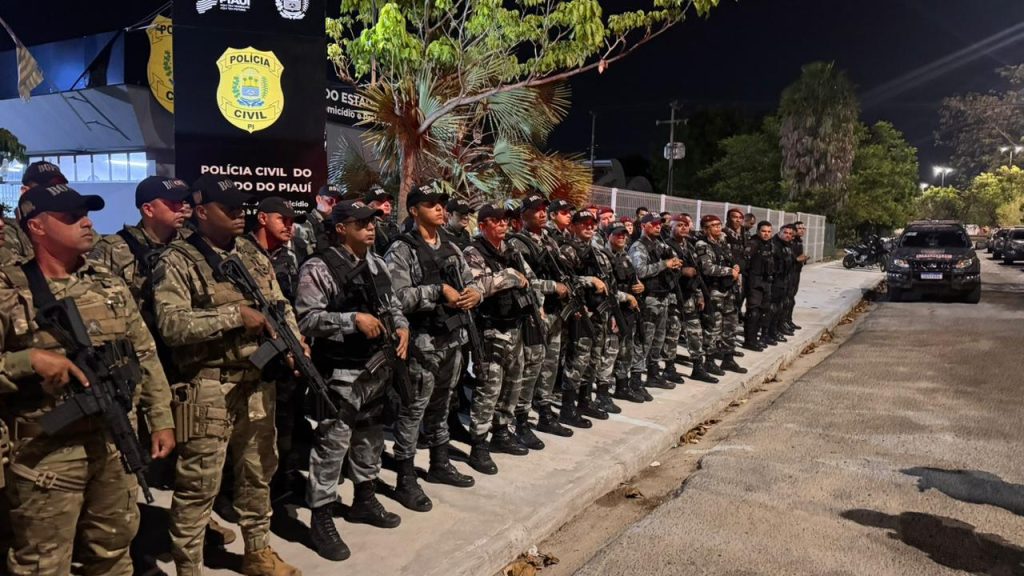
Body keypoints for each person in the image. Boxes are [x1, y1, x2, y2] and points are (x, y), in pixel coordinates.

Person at [0, 183, 175, 575]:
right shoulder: (9, 288)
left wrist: (161, 417)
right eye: (72, 217)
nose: (87, 223)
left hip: (113, 442)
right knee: (42, 564)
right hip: (45, 456)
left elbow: (144, 353)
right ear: (37, 227)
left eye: (87, 214)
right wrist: (28, 361)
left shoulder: (107, 282)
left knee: (113, 552)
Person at [152, 174, 303, 576]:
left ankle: (258, 553)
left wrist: (294, 341)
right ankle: (189, 568)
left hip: (257, 382)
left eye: (241, 206)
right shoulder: (177, 260)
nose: (239, 213)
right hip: (207, 388)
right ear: (201, 212)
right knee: (198, 486)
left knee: (258, 473)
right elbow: (171, 325)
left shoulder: (252, 254)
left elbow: (280, 303)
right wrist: (234, 315)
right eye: (228, 208)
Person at [295, 199, 410, 561]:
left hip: (376, 368)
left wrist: (402, 326)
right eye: (361, 223)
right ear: (341, 228)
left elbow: (392, 304)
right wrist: (351, 320)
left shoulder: (376, 262)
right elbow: (306, 319)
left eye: (372, 222)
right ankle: (321, 517)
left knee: (371, 437)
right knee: (332, 445)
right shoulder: (319, 267)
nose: (370, 227)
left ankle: (364, 498)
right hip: (341, 372)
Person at [384, 182, 481, 507]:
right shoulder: (402, 249)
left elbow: (470, 280)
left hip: (451, 339)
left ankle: (439, 463)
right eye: (431, 204)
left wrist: (474, 293)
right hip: (421, 344)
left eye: (441, 203)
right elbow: (395, 298)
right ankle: (405, 478)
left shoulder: (451, 247)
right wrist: (437, 291)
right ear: (414, 211)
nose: (440, 208)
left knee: (444, 405)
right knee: (413, 411)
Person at [462, 204, 538, 473]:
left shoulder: (512, 250)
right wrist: (509, 276)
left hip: (514, 326)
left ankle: (502, 432)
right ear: (483, 225)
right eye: (496, 220)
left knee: (512, 385)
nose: (503, 224)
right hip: (490, 329)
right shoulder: (473, 252)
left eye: (505, 220)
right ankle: (479, 445)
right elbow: (476, 287)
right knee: (488, 388)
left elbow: (530, 279)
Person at [506, 194, 573, 440]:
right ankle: (520, 420)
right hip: (534, 312)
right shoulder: (517, 243)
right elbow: (524, 281)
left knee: (550, 363)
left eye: (544, 208)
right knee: (530, 368)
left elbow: (562, 271)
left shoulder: (549, 240)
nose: (542, 213)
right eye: (536, 209)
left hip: (554, 310)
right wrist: (553, 287)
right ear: (523, 214)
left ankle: (544, 411)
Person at [558, 210, 624, 424]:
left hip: (599, 314)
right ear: (573, 226)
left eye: (592, 223)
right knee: (577, 361)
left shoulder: (599, 253)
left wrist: (612, 313)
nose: (589, 227)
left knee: (594, 359)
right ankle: (568, 408)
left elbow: (610, 284)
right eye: (583, 223)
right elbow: (564, 280)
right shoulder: (567, 250)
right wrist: (589, 280)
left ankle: (585, 401)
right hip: (580, 314)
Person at [628, 213, 683, 395]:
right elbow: (640, 271)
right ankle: (635, 380)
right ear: (644, 226)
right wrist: (664, 264)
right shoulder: (638, 246)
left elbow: (673, 257)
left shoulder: (659, 244)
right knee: (644, 340)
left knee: (659, 339)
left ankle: (653, 374)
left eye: (660, 224)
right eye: (654, 224)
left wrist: (674, 262)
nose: (658, 226)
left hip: (662, 297)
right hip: (649, 299)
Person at [665, 215, 719, 383]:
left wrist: (699, 295)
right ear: (671, 227)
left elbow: (696, 273)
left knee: (695, 332)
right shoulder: (665, 246)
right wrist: (682, 272)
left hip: (689, 295)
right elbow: (662, 271)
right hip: (673, 296)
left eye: (686, 225)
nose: (684, 228)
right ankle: (669, 368)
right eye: (679, 225)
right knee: (673, 333)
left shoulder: (689, 246)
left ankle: (698, 366)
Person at [695, 214, 747, 375]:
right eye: (713, 225)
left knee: (731, 325)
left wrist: (735, 266)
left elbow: (730, 259)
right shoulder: (702, 245)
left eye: (719, 224)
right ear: (706, 228)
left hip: (729, 289)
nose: (718, 227)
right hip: (714, 290)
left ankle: (728, 358)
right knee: (713, 327)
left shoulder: (723, 242)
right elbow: (707, 268)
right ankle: (709, 361)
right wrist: (729, 271)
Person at [606, 222, 648, 402]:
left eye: (624, 234)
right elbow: (606, 289)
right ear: (609, 236)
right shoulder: (604, 257)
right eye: (617, 234)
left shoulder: (626, 257)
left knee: (626, 351)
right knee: (610, 354)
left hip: (628, 311)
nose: (622, 237)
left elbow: (634, 279)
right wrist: (626, 296)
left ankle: (622, 386)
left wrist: (640, 287)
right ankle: (603, 392)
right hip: (612, 311)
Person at [2, 161, 70, 265]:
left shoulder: (76, 227)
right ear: (25, 192)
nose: (57, 194)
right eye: (46, 189)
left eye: (61, 188)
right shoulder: (6, 233)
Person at [249, 197, 304, 303]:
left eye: (291, 221)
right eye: (283, 219)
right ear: (262, 218)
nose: (289, 226)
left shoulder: (290, 256)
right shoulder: (239, 250)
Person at [742, 221, 775, 351]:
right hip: (754, 282)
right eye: (763, 231)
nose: (766, 234)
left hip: (766, 281)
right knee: (753, 312)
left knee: (763, 311)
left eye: (769, 231)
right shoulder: (753, 243)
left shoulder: (769, 244)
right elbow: (745, 262)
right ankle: (749, 341)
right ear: (758, 231)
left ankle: (757, 338)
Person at [295, 183, 342, 260]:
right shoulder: (304, 224)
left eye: (338, 202)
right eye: (330, 200)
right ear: (319, 199)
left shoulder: (336, 225)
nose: (334, 205)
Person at [786, 221, 809, 331]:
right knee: (787, 299)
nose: (802, 230)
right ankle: (784, 322)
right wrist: (797, 259)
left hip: (796, 272)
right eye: (799, 228)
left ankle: (788, 320)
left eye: (803, 228)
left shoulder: (799, 241)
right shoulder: (791, 241)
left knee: (792, 298)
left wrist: (803, 259)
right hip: (789, 273)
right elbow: (790, 257)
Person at [365, 185, 401, 256]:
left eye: (389, 202)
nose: (387, 204)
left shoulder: (395, 226)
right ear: (370, 205)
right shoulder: (365, 226)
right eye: (382, 201)